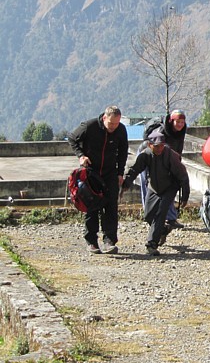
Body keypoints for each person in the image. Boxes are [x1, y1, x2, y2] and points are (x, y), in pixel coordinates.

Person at [68, 105, 129, 255]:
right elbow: (72, 138)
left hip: (110, 173)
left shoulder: (120, 130)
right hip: (91, 172)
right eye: (111, 124)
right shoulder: (90, 126)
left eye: (117, 124)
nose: (114, 127)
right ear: (104, 118)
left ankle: (109, 240)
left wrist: (120, 172)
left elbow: (123, 152)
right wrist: (81, 156)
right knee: (92, 206)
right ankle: (91, 241)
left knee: (111, 206)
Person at [121, 129, 190, 255]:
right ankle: (163, 230)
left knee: (160, 213)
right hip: (153, 187)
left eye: (162, 146)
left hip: (170, 187)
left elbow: (183, 176)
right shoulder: (145, 155)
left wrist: (185, 196)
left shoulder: (170, 155)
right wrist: (126, 184)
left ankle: (152, 244)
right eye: (156, 146)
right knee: (148, 215)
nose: (159, 149)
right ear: (149, 145)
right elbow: (135, 170)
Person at [138, 110, 188, 238]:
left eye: (182, 122)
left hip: (166, 159)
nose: (180, 124)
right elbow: (155, 149)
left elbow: (178, 147)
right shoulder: (161, 132)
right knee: (148, 186)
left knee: (169, 187)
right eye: (178, 122)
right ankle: (149, 214)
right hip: (149, 157)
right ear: (172, 121)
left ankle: (170, 217)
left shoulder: (180, 132)